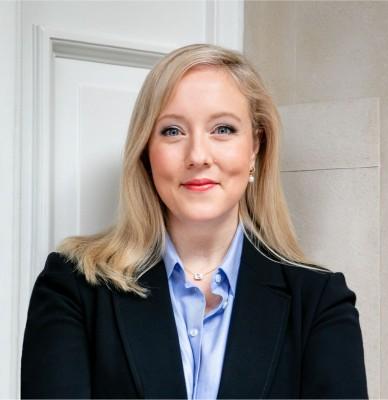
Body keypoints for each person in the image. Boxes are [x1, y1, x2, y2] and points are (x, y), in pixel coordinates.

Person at [21, 43, 368, 399]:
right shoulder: (73, 286)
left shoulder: (320, 300)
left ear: (255, 147)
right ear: (146, 150)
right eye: (172, 131)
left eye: (223, 129)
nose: (198, 156)